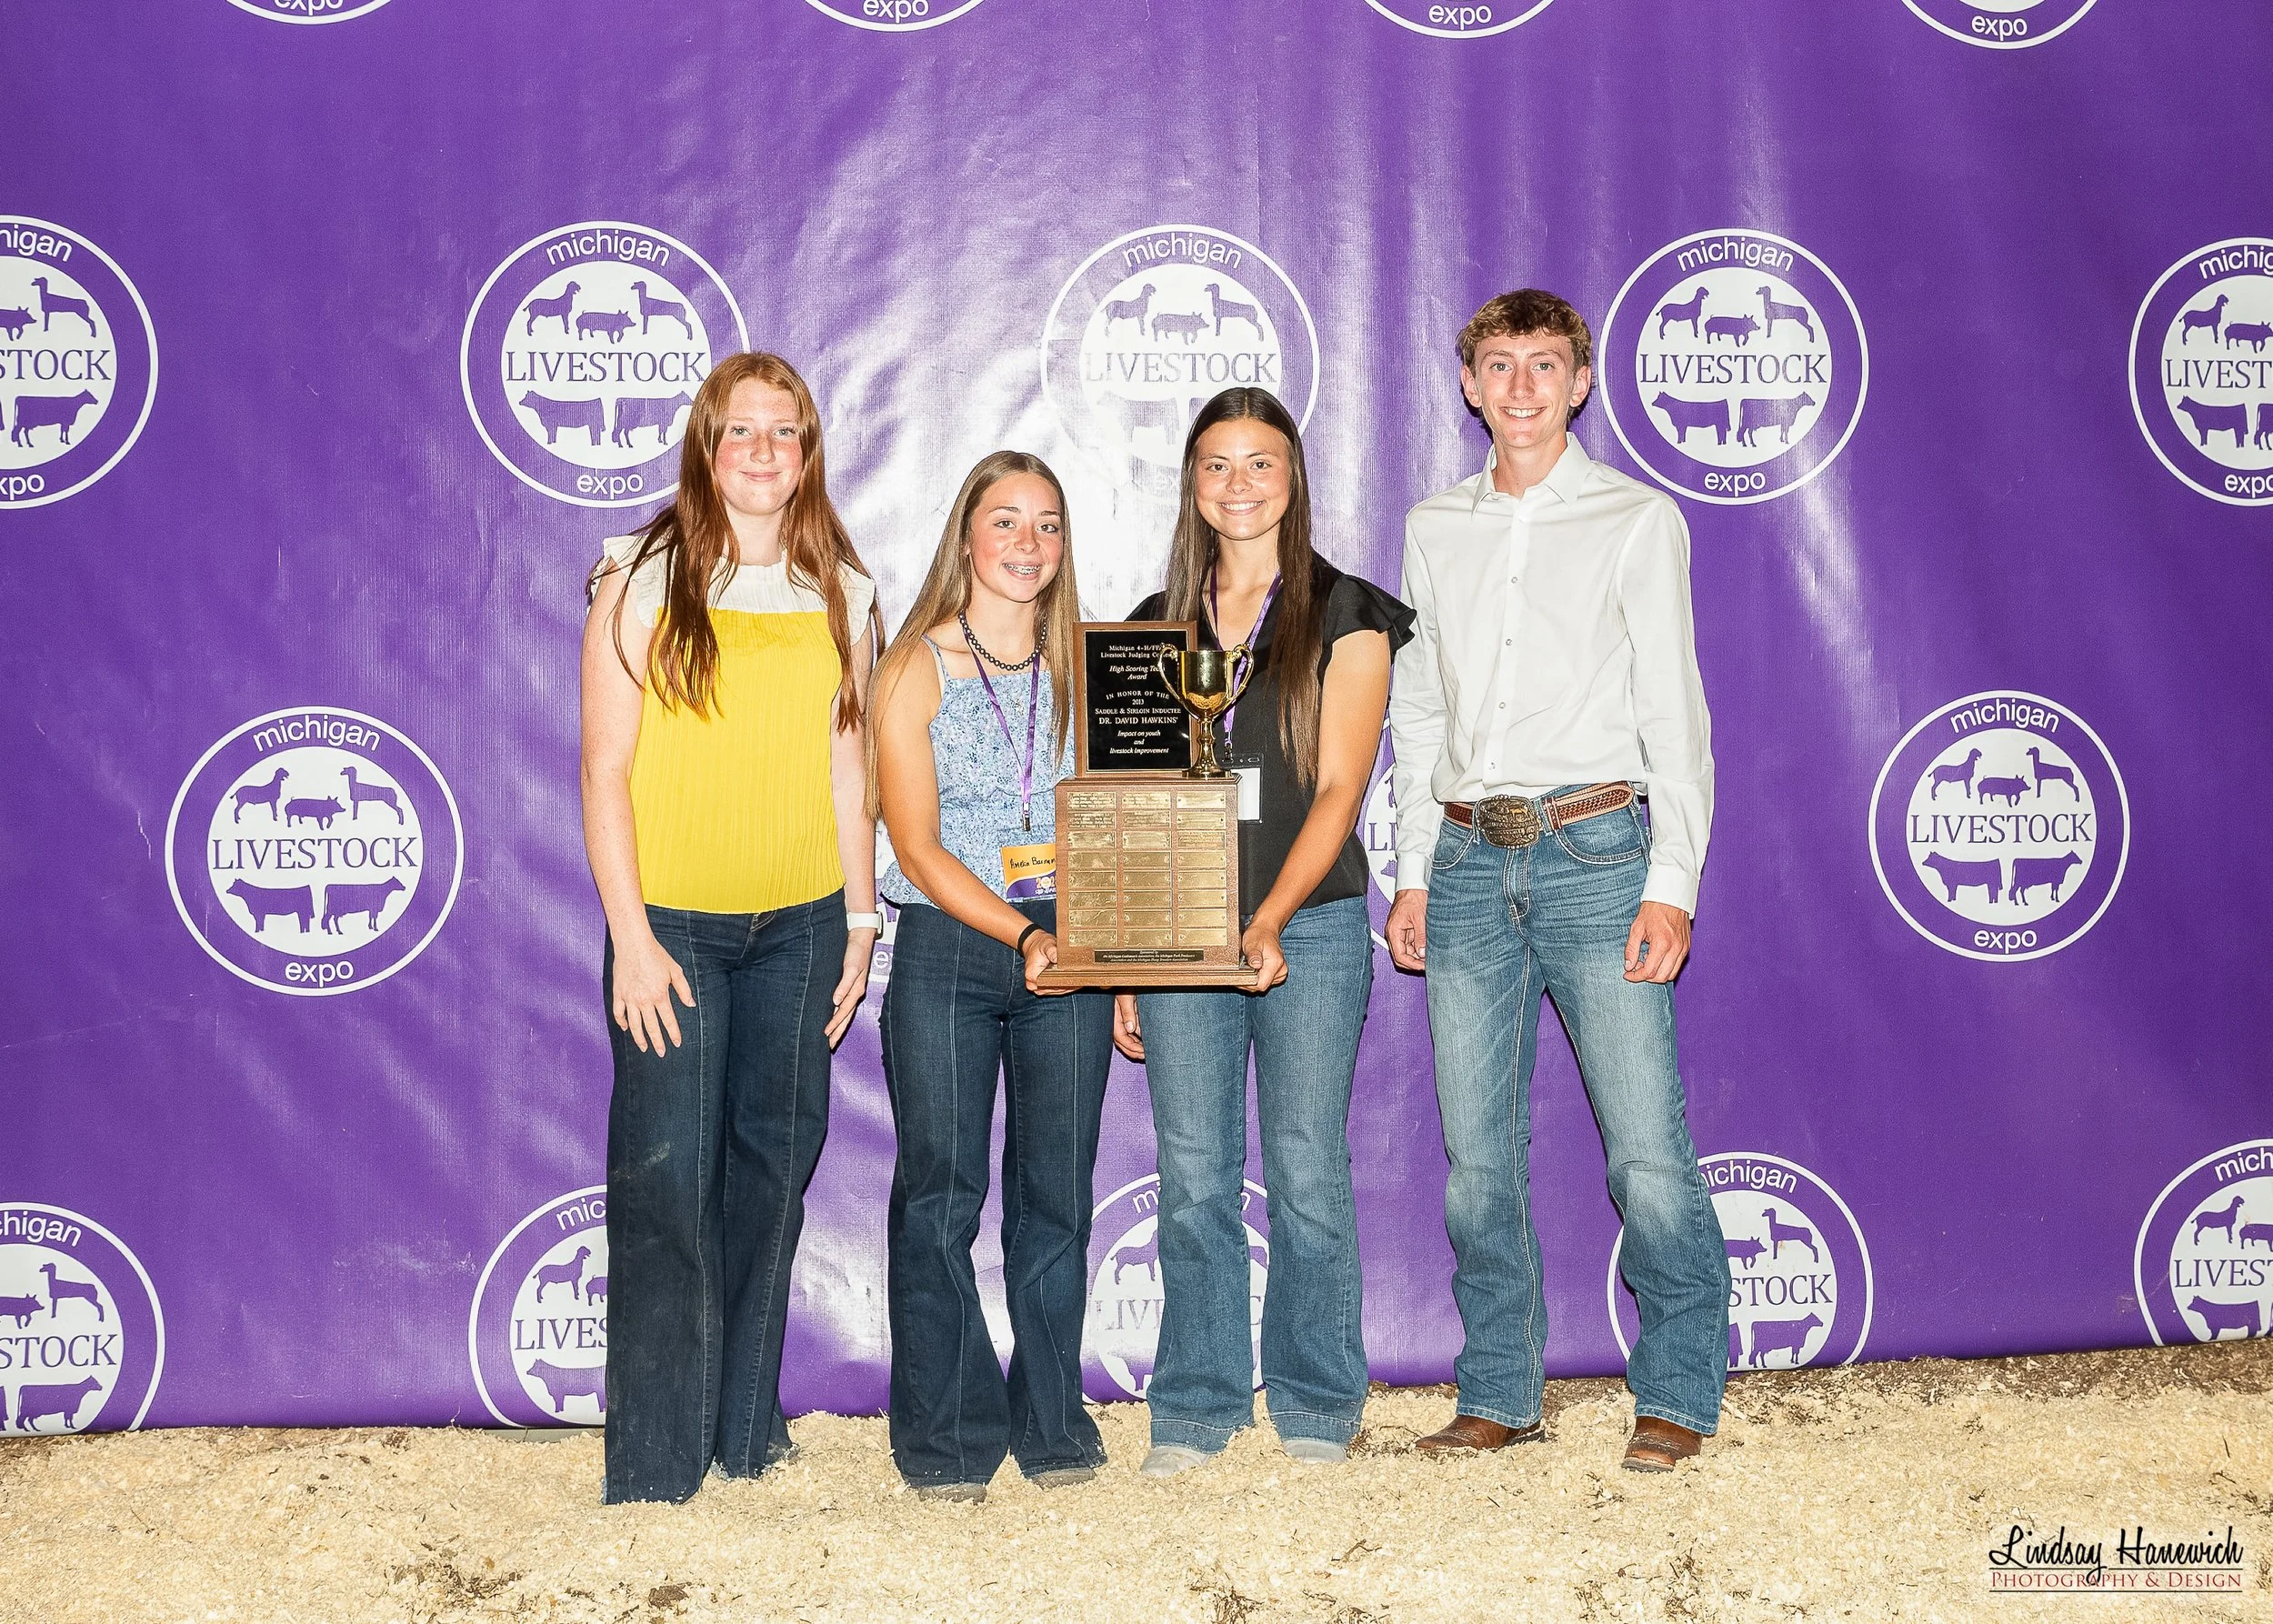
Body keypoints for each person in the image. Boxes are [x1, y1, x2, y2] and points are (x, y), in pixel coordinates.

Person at [1385, 289, 1727, 1472]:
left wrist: (1671, 877)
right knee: (1478, 1160)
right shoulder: (1434, 526)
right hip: (1465, 859)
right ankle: (1499, 1389)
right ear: (1469, 384)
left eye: (1544, 364)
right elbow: (1418, 708)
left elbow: (1673, 712)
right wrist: (1412, 868)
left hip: (1598, 854)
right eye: (1499, 364)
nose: (1521, 386)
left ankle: (1676, 1388)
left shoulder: (1637, 518)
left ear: (1580, 383)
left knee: (1644, 1148)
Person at [580, 352, 882, 1504]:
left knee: (771, 1176)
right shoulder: (639, 576)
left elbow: (850, 762)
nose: (762, 451)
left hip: (800, 931)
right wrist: (632, 935)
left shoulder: (843, 588)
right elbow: (604, 770)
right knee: (665, 1186)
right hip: (673, 933)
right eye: (738, 431)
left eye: (783, 430)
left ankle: (746, 1434)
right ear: (705, 450)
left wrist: (861, 919)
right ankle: (656, 1465)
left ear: (809, 452)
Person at [1115, 386, 1413, 1476]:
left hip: (1314, 928)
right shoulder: (1152, 623)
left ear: (1293, 478)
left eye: (1260, 463)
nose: (1238, 485)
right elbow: (1139, 805)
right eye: (1217, 465)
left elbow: (1340, 788)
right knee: (1193, 1172)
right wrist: (1128, 961)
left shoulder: (1349, 612)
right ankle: (1196, 1403)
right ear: (1192, 484)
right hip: (1181, 936)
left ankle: (1317, 1397)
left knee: (1304, 1165)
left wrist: (1272, 918)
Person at [868, 451, 1113, 1502]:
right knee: (939, 1196)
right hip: (953, 945)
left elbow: (1122, 825)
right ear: (965, 535)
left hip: (1077, 943)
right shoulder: (911, 666)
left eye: (1047, 523)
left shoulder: (1094, 667)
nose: (1027, 542)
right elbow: (916, 846)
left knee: (1055, 1196)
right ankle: (944, 1434)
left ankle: (1052, 1421)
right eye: (1005, 520)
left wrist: (1125, 965)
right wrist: (1022, 934)